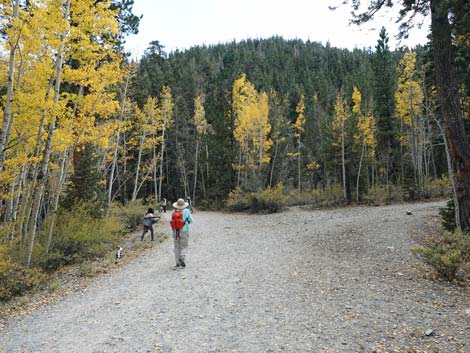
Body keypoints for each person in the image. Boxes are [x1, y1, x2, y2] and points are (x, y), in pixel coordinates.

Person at [170, 198, 193, 269]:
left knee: (176, 246)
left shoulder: (173, 212)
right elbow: (191, 220)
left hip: (175, 231)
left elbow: (171, 222)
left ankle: (177, 263)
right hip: (184, 230)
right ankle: (182, 257)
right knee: (184, 245)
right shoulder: (186, 211)